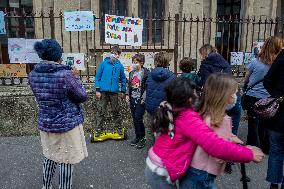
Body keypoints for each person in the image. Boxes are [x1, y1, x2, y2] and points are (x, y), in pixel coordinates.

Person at [144, 77, 264, 189]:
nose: (198, 95)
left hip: (156, 165)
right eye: (194, 92)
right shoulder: (188, 118)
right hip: (161, 172)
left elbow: (207, 133)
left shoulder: (175, 109)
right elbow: (215, 146)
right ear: (189, 99)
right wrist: (248, 154)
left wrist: (230, 137)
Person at [28, 39, 88, 189]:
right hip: (66, 124)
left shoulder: (33, 74)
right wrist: (76, 77)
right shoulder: (66, 75)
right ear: (57, 55)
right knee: (66, 159)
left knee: (49, 155)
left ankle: (46, 186)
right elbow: (82, 96)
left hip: (46, 121)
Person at [180, 73, 244, 189]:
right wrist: (237, 149)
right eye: (234, 93)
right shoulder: (221, 120)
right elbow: (220, 154)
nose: (236, 96)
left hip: (193, 167)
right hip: (204, 173)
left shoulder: (203, 111)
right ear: (223, 96)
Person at [198, 44, 242, 173]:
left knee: (218, 131)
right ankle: (230, 159)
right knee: (232, 131)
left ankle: (219, 158)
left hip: (218, 102)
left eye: (201, 54)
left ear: (204, 53)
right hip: (233, 98)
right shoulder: (224, 62)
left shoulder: (205, 65)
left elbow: (205, 84)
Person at [244, 36, 282, 153]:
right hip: (269, 98)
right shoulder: (278, 63)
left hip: (252, 95)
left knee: (253, 122)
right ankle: (265, 147)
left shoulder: (255, 62)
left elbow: (246, 78)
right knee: (266, 123)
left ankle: (252, 146)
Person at [263, 42, 284, 189]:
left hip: (280, 114)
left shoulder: (283, 56)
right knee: (276, 149)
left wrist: (278, 95)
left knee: (276, 151)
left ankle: (273, 184)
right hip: (279, 113)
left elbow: (268, 80)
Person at [94, 45, 127, 137]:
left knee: (116, 110)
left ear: (118, 55)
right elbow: (98, 77)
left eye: (115, 54)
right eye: (112, 53)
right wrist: (97, 90)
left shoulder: (119, 65)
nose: (113, 55)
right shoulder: (104, 64)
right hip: (103, 92)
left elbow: (123, 79)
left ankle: (119, 128)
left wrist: (123, 90)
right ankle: (98, 129)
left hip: (114, 92)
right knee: (101, 111)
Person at [126, 53, 149, 149]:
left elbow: (148, 87)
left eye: (136, 62)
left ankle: (143, 137)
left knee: (138, 117)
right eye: (133, 62)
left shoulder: (146, 73)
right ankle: (137, 136)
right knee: (134, 118)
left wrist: (144, 97)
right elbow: (129, 85)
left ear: (142, 63)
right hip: (132, 98)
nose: (134, 64)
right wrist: (127, 94)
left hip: (141, 100)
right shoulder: (132, 73)